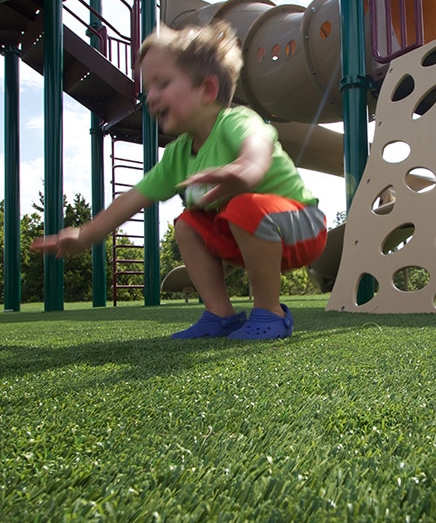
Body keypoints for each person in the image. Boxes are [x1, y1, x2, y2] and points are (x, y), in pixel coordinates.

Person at [32, 21, 327, 340]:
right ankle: (220, 315)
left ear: (208, 90)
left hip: (304, 227)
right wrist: (86, 236)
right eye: (147, 90)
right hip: (250, 234)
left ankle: (270, 313)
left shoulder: (236, 121)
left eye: (162, 84)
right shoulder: (177, 154)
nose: (151, 98)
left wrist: (240, 171)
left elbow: (257, 151)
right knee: (188, 223)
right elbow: (133, 199)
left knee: (243, 206)